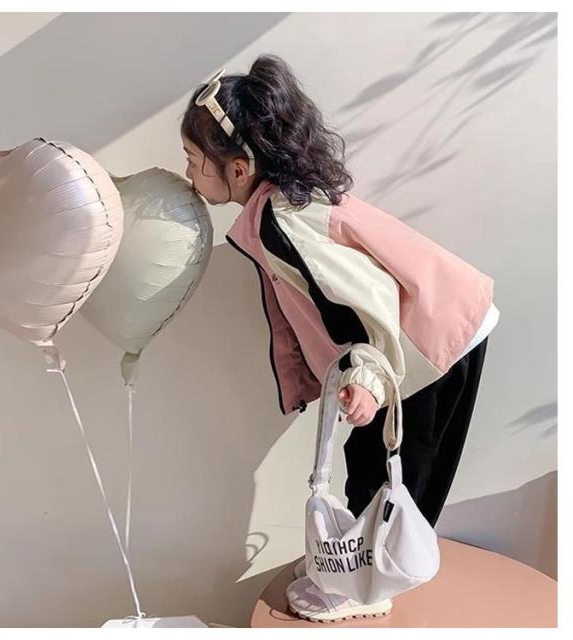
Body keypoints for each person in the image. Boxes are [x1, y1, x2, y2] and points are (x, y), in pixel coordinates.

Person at [180, 54, 499, 621]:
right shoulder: (285, 201)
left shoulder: (282, 219)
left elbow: (364, 298)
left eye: (192, 161)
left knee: (394, 467)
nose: (188, 175)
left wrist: (369, 379)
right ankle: (358, 565)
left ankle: (363, 585)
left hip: (427, 340)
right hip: (423, 330)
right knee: (380, 459)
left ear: (239, 167)